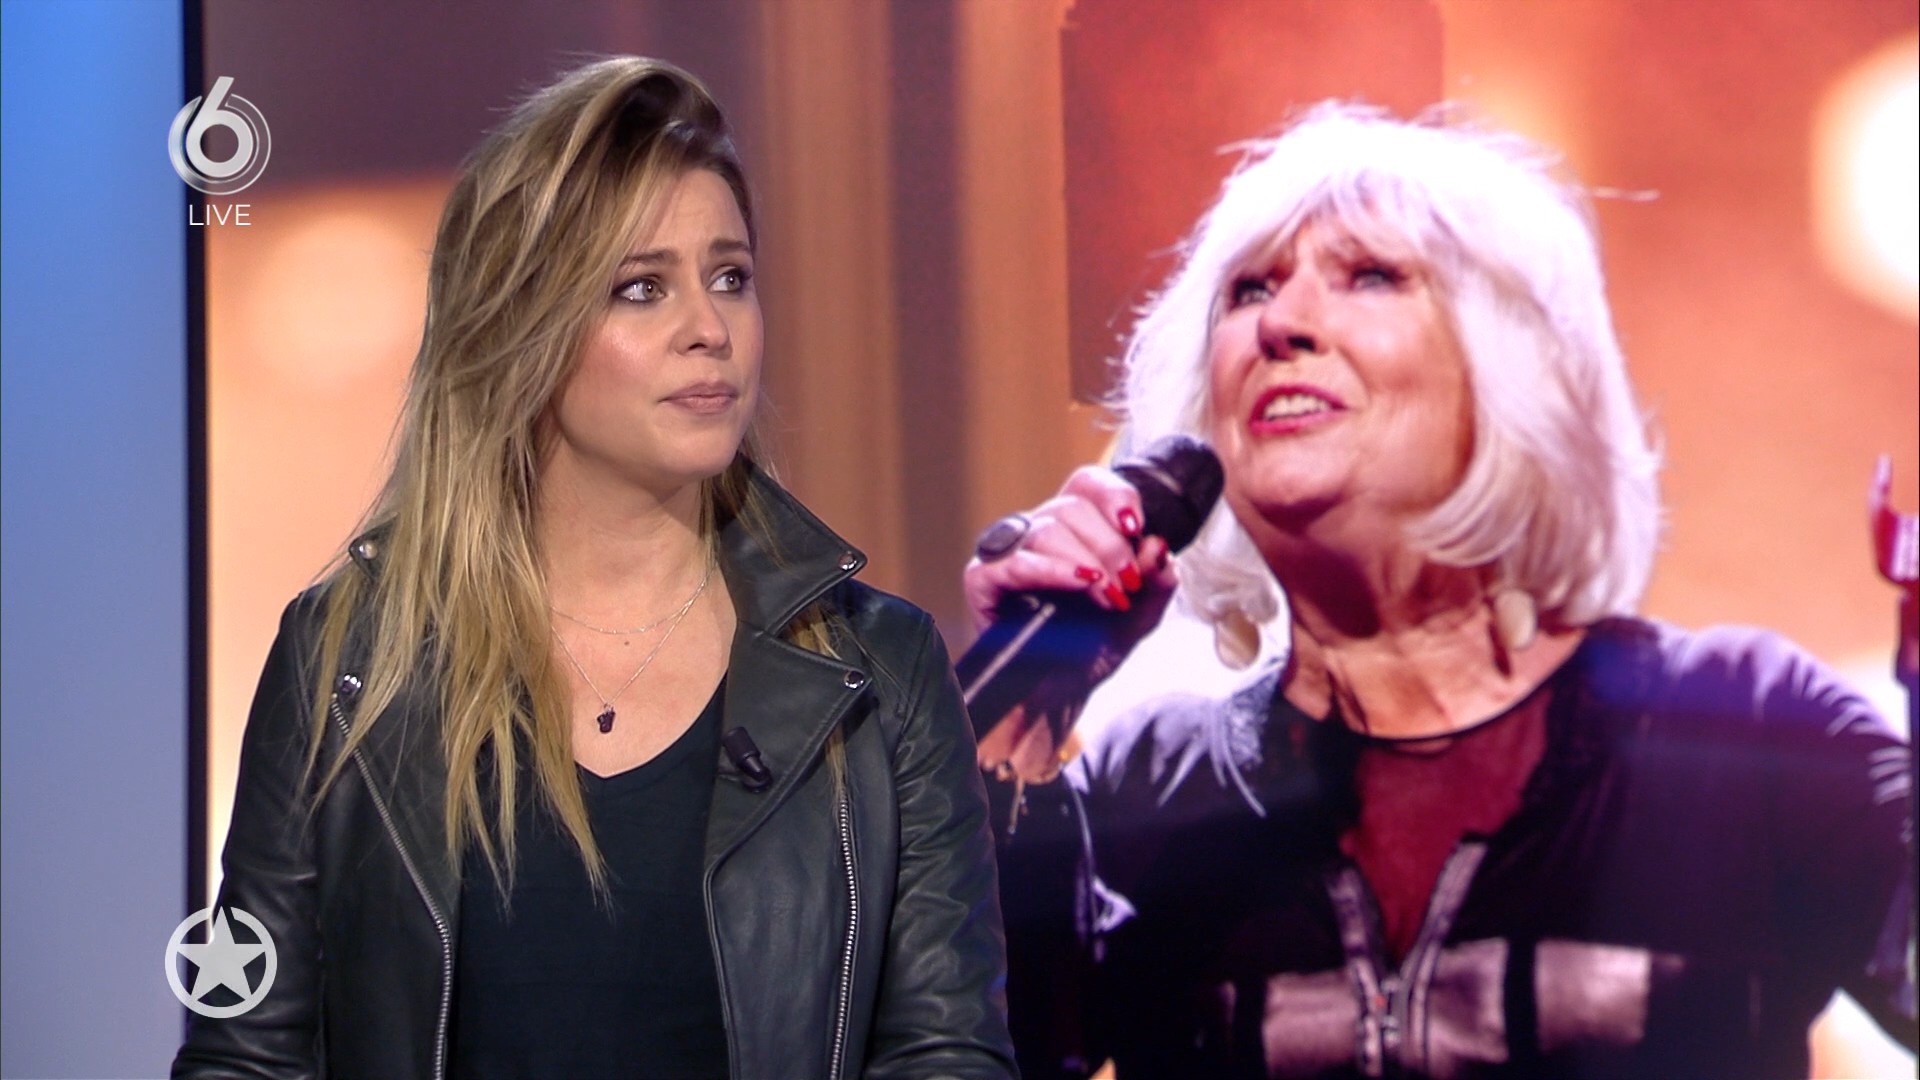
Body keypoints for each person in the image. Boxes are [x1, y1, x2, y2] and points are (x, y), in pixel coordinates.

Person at [964, 103, 1915, 1079]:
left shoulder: (1739, 733)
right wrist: (1007, 741)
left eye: (1370, 275)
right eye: (1250, 290)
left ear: (1509, 366)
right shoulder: (1155, 785)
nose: (1280, 324)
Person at [174, 57, 1014, 1080]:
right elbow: (247, 1055)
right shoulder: (348, 659)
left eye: (731, 277)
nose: (710, 330)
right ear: (520, 328)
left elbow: (945, 1055)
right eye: (641, 288)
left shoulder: (880, 671)